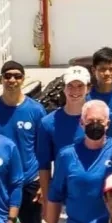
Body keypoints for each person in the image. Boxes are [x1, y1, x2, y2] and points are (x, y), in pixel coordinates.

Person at [0, 60, 46, 223]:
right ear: (1, 79)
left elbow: (43, 149)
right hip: (2, 185)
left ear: (23, 79)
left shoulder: (36, 110)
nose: (12, 80)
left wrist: (43, 184)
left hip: (30, 183)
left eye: (17, 75)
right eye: (7, 76)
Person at [38, 67, 92, 201]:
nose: (75, 91)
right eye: (70, 86)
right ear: (63, 88)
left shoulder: (100, 117)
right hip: (62, 197)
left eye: (80, 86)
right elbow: (44, 166)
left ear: (89, 88)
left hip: (94, 196)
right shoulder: (47, 122)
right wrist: (46, 201)